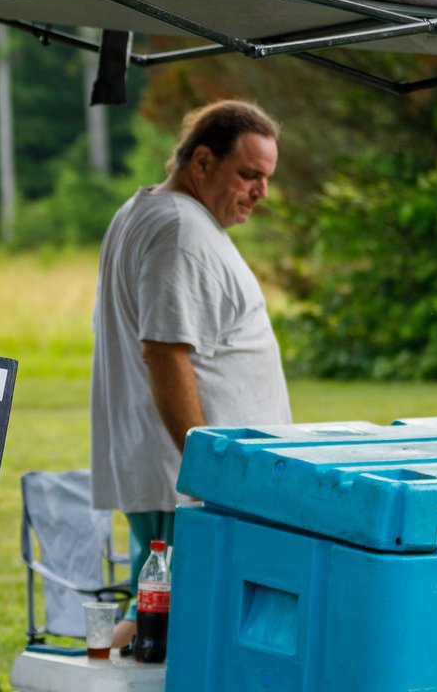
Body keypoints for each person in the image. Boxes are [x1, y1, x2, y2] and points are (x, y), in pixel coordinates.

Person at [90, 99, 291, 616]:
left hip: (181, 483)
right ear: (202, 162)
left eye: (265, 178)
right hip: (188, 489)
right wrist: (205, 469)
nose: (260, 193)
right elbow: (164, 353)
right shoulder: (181, 231)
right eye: (249, 175)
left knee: (166, 626)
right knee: (172, 631)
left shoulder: (153, 213)